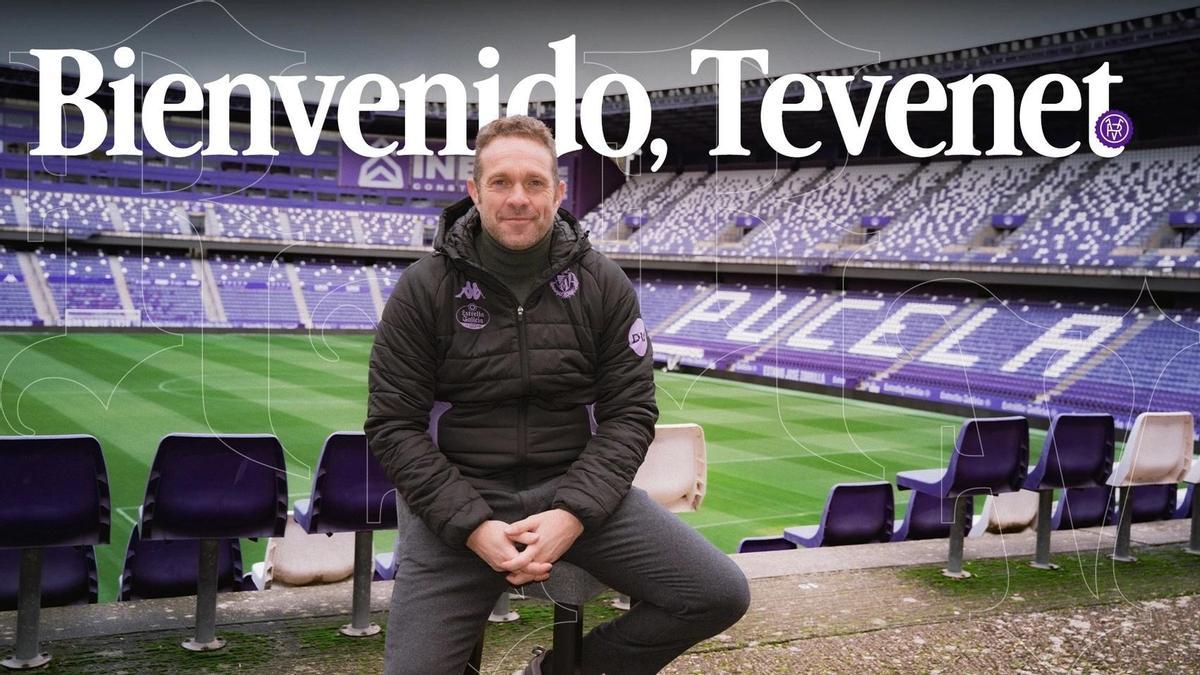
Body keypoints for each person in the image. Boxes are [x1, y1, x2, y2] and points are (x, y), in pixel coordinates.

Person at [365, 115, 750, 675]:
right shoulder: (424, 288)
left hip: (574, 492)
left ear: (559, 191)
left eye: (534, 182)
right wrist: (473, 526)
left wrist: (571, 513)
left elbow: (631, 411)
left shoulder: (602, 283)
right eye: (500, 182)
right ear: (474, 191)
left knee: (718, 593)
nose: (518, 198)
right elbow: (392, 426)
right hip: (458, 502)